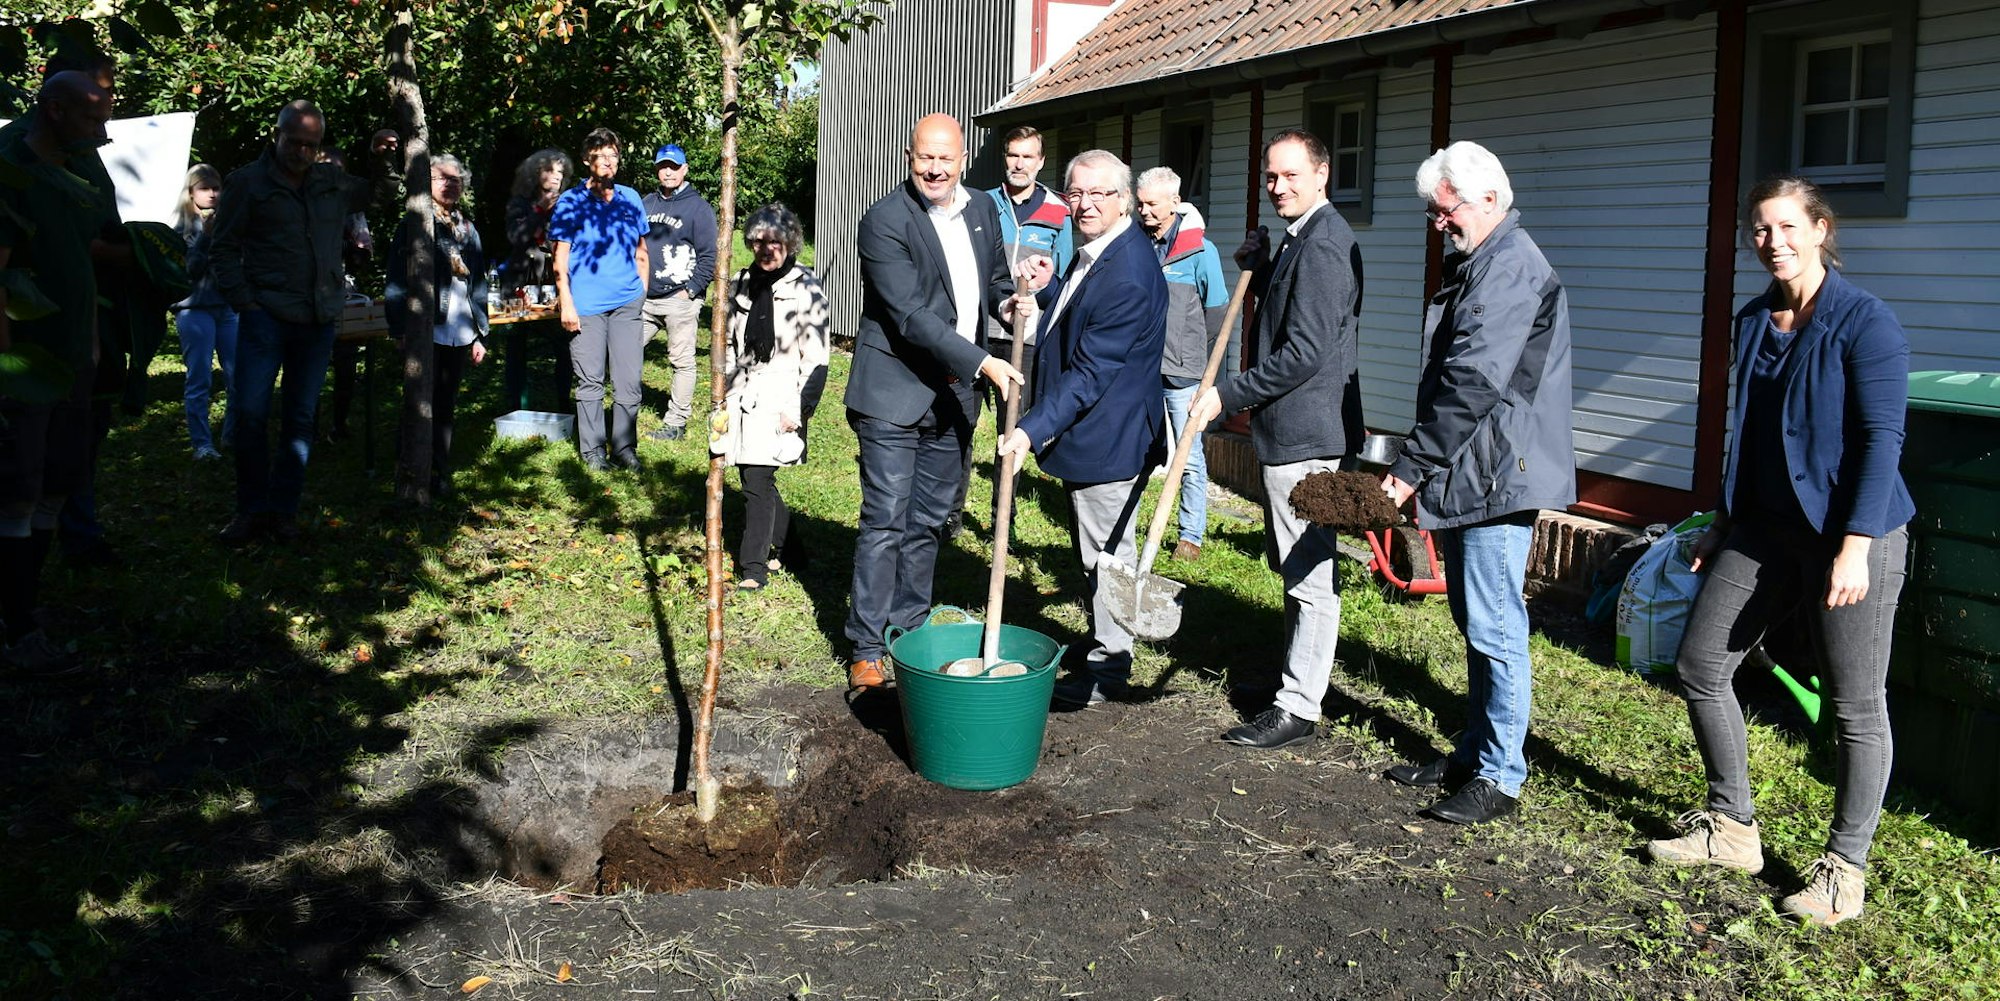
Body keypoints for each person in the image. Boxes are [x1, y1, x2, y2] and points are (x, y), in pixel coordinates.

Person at [1644, 175, 1913, 926]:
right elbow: (1754, 437)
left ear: (1821, 229)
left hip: (1852, 532)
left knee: (1855, 704)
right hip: (1766, 528)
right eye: (1760, 230)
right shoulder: (1756, 319)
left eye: (1789, 227)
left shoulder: (1867, 323)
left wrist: (1855, 547)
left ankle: (1845, 869)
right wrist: (1724, 524)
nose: (1774, 243)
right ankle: (1732, 827)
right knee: (1702, 664)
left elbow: (1881, 440)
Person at [1379, 141, 1575, 826]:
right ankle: (1474, 750)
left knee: (1495, 625)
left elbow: (1473, 383)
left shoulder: (1511, 268)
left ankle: (1501, 772)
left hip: (1499, 471)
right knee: (1474, 619)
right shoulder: (1480, 264)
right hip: (1474, 467)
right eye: (1435, 214)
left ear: (1490, 197)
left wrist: (1409, 469)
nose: (1440, 224)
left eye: (1446, 210)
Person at [841, 113, 1041, 691]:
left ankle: (909, 631)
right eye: (924, 157)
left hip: (954, 397)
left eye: (945, 159)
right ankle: (868, 647)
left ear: (961, 162)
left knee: (929, 520)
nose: (934, 168)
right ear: (909, 157)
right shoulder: (883, 222)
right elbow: (910, 316)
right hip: (894, 392)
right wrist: (982, 361)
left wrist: (1014, 303)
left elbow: (995, 286)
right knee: (886, 519)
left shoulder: (980, 210)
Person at [1188, 128, 1364, 750]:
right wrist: (1262, 267)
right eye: (1270, 176)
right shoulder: (1304, 240)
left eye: (1290, 175)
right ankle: (1297, 684)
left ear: (1321, 174)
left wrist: (1229, 393)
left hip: (1306, 433)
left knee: (1309, 575)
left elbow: (1304, 351)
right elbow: (1293, 316)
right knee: (1296, 567)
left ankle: (1298, 706)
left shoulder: (1321, 246)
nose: (1277, 186)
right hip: (1293, 430)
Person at [998, 149, 1168, 707]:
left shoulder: (1127, 271)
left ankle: (1108, 670)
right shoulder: (1096, 253)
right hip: (1095, 431)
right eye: (1075, 193)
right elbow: (1079, 316)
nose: (1085, 204)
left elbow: (1092, 371)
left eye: (1099, 194)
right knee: (1096, 551)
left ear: (1124, 201)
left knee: (1107, 557)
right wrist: (1048, 290)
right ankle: (1103, 646)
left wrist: (1029, 428)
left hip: (1110, 436)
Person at [209, 99, 392, 544]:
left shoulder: (330, 182)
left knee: (300, 418)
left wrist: (382, 157)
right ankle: (250, 510)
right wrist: (245, 302)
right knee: (250, 415)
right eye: (295, 142)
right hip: (266, 317)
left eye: (311, 145)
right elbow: (223, 247)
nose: (303, 152)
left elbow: (382, 196)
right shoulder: (248, 184)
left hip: (317, 319)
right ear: (277, 135)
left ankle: (282, 511)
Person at [0, 72, 118, 671]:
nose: (103, 135)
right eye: (92, 120)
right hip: (26, 362)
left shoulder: (78, 172)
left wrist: (92, 344)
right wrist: (7, 367)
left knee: (56, 481)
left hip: (72, 356)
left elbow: (83, 262)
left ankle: (24, 608)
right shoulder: (10, 168)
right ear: (52, 110)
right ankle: (14, 628)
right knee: (15, 489)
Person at [942, 125, 1075, 538]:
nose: (1019, 164)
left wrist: (1043, 304)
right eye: (1013, 155)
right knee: (959, 423)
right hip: (978, 336)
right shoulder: (981, 204)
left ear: (1040, 161)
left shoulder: (1058, 212)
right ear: (1006, 158)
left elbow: (1066, 279)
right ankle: (950, 514)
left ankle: (1003, 516)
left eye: (1028, 157)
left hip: (1027, 340)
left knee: (1011, 430)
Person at [715, 204, 828, 590]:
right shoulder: (741, 282)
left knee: (756, 483)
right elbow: (730, 344)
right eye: (759, 241)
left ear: (790, 242)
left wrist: (798, 410)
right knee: (753, 475)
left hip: (782, 394)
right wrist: (723, 395)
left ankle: (753, 568)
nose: (766, 249)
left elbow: (816, 359)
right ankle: (791, 548)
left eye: (774, 242)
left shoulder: (806, 287)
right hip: (743, 392)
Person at [1136, 166, 1229, 563]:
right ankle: (1124, 522)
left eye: (1152, 204)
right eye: (1139, 204)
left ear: (1175, 203)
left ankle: (1191, 534)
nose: (1144, 212)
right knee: (1135, 449)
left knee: (1188, 455)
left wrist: (1187, 347)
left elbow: (1218, 310)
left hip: (1183, 372)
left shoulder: (1200, 251)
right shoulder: (1134, 244)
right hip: (1138, 371)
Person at [384, 154, 489, 498]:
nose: (449, 184)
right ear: (426, 183)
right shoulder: (417, 223)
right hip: (427, 328)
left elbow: (478, 286)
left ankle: (439, 472)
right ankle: (409, 469)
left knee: (445, 403)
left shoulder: (467, 228)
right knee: (418, 401)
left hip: (459, 330)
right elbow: (397, 278)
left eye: (455, 179)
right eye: (441, 178)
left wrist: (479, 333)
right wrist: (400, 328)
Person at [550, 127, 649, 472]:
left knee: (628, 380)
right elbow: (559, 257)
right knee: (590, 381)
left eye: (613, 155)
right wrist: (567, 302)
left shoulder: (630, 198)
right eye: (600, 156)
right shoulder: (571, 202)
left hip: (627, 303)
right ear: (586, 161)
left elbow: (641, 250)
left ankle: (624, 447)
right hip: (587, 307)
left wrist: (641, 293)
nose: (608, 162)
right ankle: (593, 451)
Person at [640, 142, 718, 443]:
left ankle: (676, 421)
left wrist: (692, 290)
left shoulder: (698, 208)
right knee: (625, 352)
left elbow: (709, 255)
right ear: (657, 170)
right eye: (663, 166)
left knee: (681, 360)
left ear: (684, 169)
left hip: (678, 299)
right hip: (645, 299)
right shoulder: (646, 204)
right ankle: (627, 407)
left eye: (674, 166)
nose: (668, 172)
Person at [174, 164, 237, 462]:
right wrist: (206, 238)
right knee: (199, 379)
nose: (212, 194)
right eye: (204, 188)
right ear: (190, 192)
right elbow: (189, 271)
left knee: (239, 376)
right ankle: (202, 444)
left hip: (227, 309)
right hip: (194, 310)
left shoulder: (229, 223)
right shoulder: (180, 229)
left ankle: (232, 436)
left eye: (216, 188)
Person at [503, 148, 574, 298]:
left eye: (560, 172)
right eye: (550, 170)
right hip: (522, 285)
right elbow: (516, 237)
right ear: (536, 173)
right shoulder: (520, 204)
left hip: (557, 285)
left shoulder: (566, 207)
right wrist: (539, 210)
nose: (556, 176)